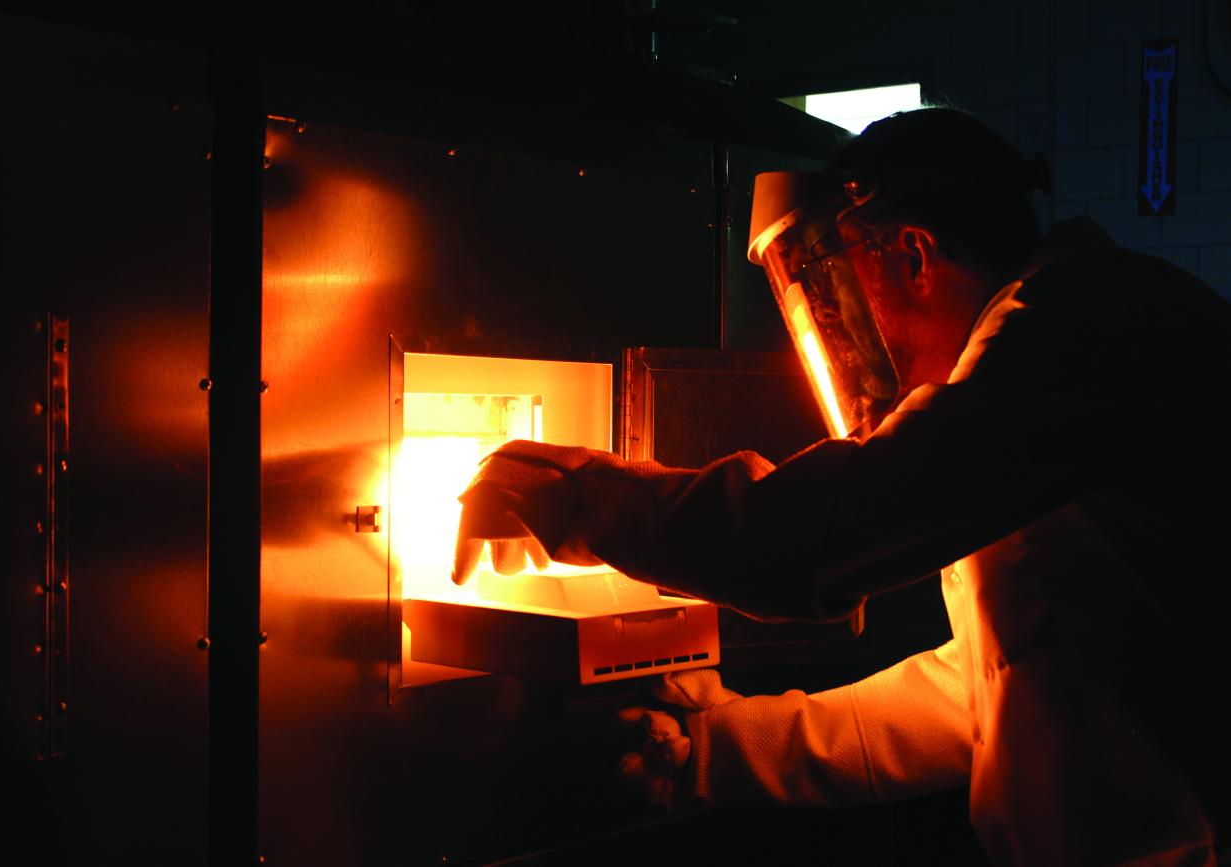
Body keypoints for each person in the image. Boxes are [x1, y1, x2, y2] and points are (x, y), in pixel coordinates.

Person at [451, 108, 1231, 867]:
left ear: (915, 255)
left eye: (841, 292)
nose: (837, 324)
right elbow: (988, 689)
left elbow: (806, 542)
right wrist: (719, 748)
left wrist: (565, 494)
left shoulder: (1079, 327)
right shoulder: (1036, 360)